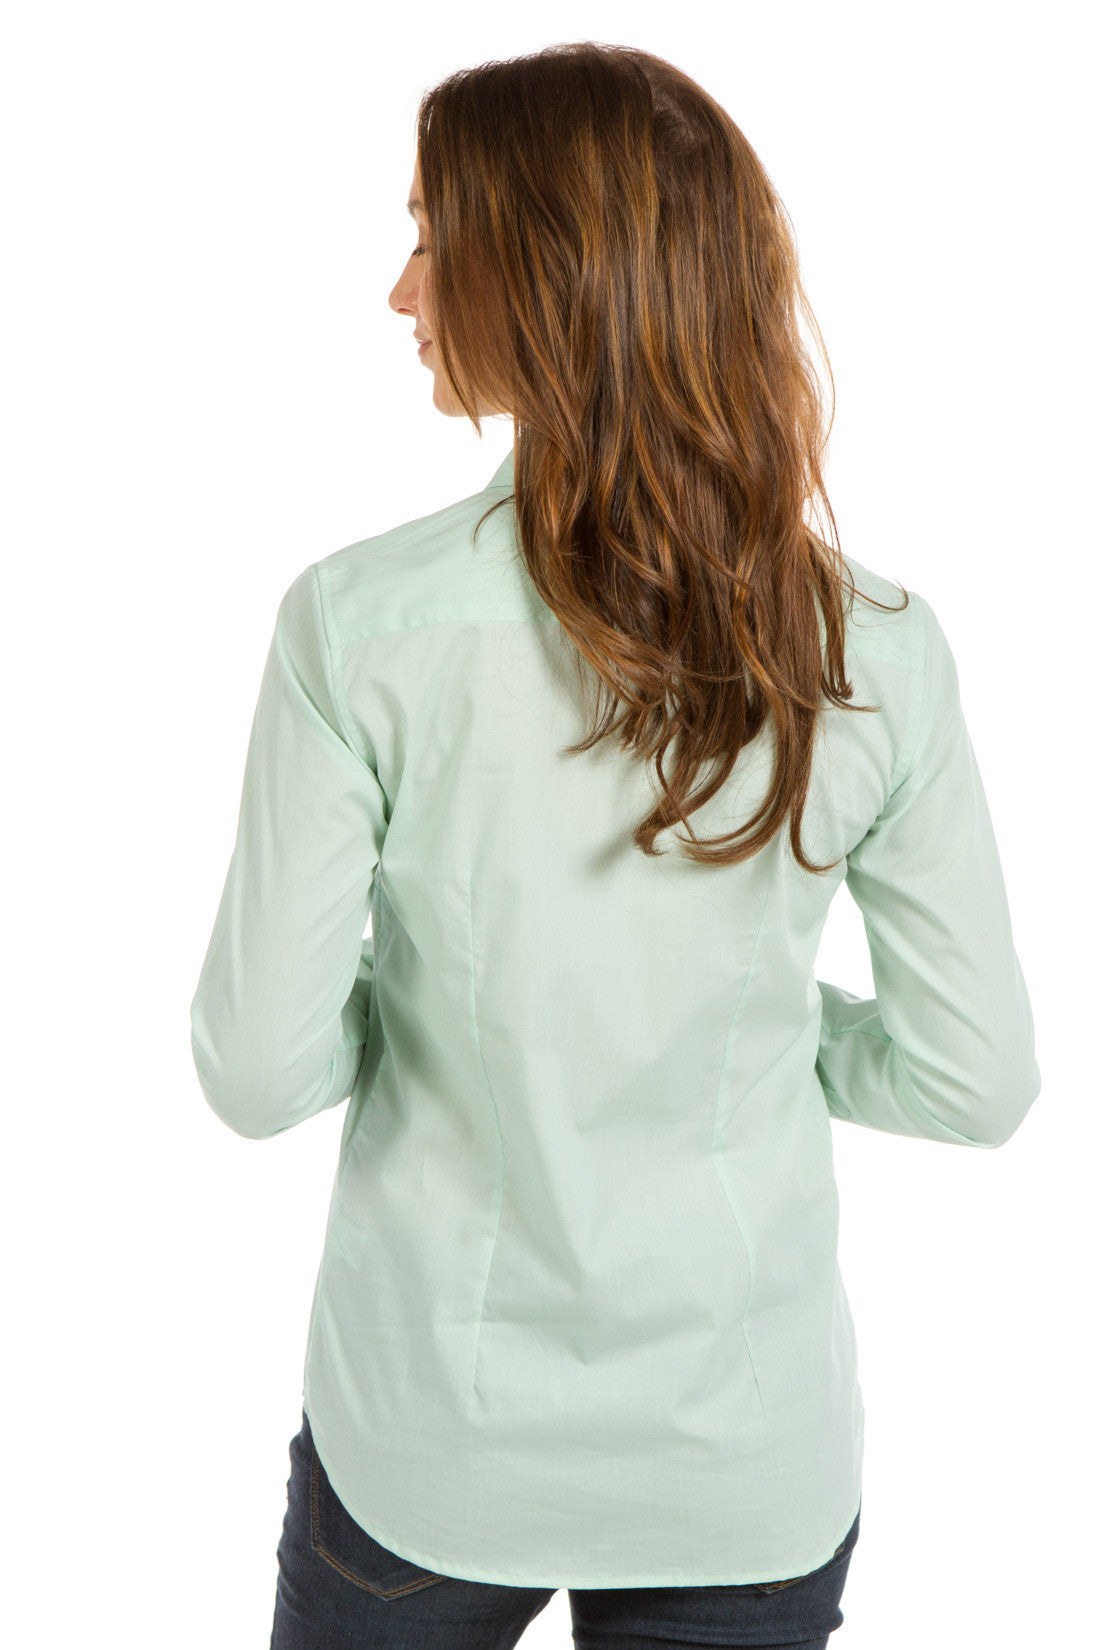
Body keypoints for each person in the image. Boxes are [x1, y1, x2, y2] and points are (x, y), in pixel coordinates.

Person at [189, 41, 1041, 1650]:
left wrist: (422, 1011)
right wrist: (764, 1039)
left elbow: (254, 1068)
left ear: (547, 275)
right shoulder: (879, 650)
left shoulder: (358, 629)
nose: (398, 290)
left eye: (432, 238)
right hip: (743, 1459)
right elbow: (975, 1079)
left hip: (430, 1442)